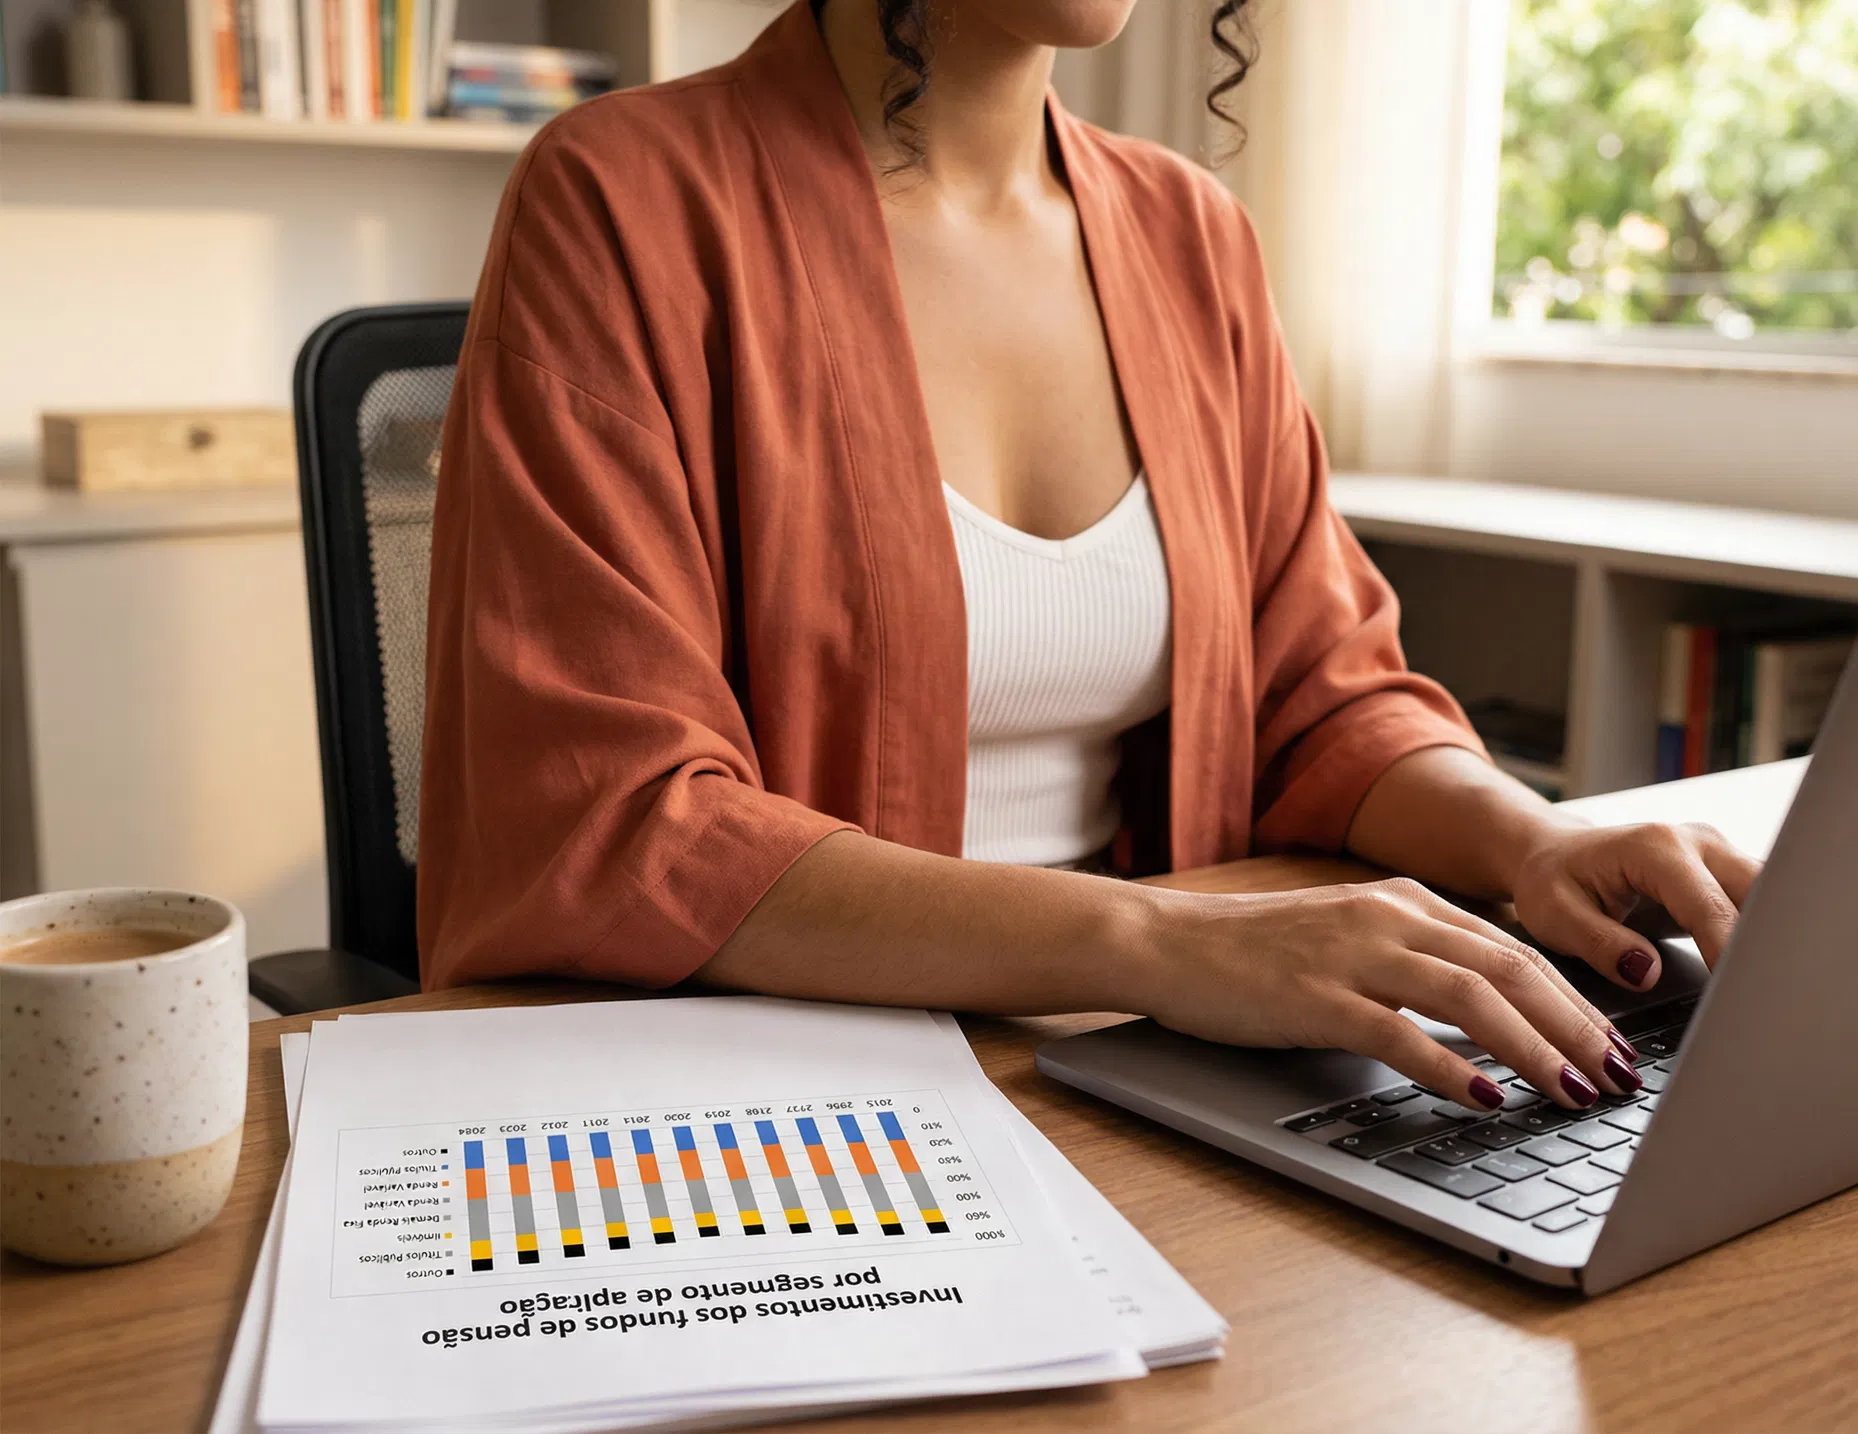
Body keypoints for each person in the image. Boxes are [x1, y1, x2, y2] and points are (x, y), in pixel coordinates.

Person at [419, 0, 1759, 1119]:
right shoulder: (619, 202)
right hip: (779, 1094)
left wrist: (1532, 841)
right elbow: (619, 813)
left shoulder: (1193, 236)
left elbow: (1324, 691)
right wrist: (1161, 943)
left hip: (1128, 1071)